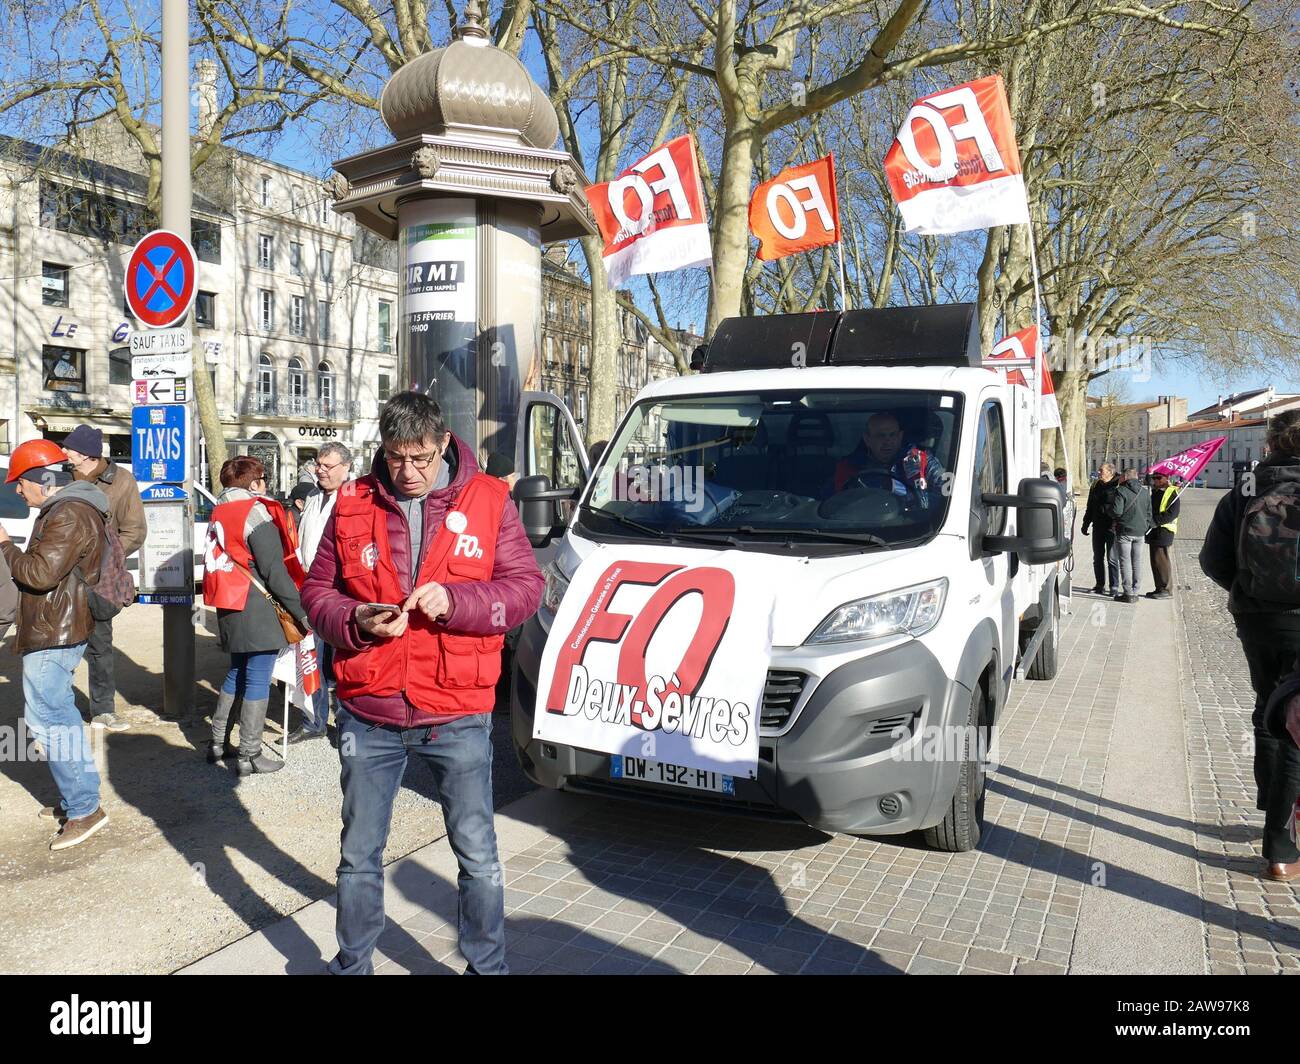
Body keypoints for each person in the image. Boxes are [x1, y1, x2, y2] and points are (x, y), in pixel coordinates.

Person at [302, 391, 543, 975]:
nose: (407, 473)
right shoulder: (354, 499)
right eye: (394, 458)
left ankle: (487, 968)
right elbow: (316, 593)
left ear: (442, 444)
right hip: (370, 709)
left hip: (457, 711)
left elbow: (525, 588)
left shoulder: (488, 500)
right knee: (359, 856)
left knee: (478, 855)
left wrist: (458, 600)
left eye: (420, 459)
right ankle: (352, 965)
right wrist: (354, 620)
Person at [1201, 408, 1300, 881]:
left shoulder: (1245, 489)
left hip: (1259, 619)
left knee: (1269, 707)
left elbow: (1211, 559)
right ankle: (1281, 844)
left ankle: (1272, 808)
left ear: (1271, 444)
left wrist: (1248, 591)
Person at [0, 439, 110, 850]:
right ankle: (79, 798)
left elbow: (40, 574)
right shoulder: (69, 509)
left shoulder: (69, 512)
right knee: (57, 714)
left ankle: (84, 808)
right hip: (57, 625)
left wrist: (6, 546)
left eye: (20, 482)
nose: (16, 490)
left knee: (49, 718)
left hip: (56, 628)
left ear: (42, 480)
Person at [202, 456, 311, 776]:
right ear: (253, 484)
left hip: (229, 604)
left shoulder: (219, 510)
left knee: (237, 672)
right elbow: (274, 571)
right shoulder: (254, 511)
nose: (266, 484)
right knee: (259, 677)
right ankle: (250, 753)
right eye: (263, 479)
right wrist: (301, 611)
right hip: (257, 607)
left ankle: (217, 743)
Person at [61, 425, 146, 731]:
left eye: (69, 448)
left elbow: (135, 529)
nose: (64, 452)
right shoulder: (62, 475)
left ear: (85, 454)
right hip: (60, 575)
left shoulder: (121, 481)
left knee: (100, 646)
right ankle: (59, 712)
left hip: (97, 578)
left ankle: (102, 711)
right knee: (59, 644)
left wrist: (104, 558)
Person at [287, 441, 353, 744]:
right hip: (310, 589)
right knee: (310, 656)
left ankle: (346, 724)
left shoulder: (356, 498)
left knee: (341, 662)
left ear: (346, 467)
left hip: (341, 592)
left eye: (327, 466)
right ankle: (313, 721)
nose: (320, 470)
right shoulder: (312, 496)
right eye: (318, 464)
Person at [833, 411, 945, 505]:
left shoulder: (921, 460)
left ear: (900, 436)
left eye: (892, 435)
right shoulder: (848, 468)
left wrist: (904, 494)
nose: (887, 442)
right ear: (867, 439)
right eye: (880, 436)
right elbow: (833, 504)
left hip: (916, 525)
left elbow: (946, 495)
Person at [1109, 467, 1152, 603]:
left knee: (1125, 562)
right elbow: (1149, 513)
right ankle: (1136, 590)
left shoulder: (1121, 491)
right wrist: (1145, 526)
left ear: (1126, 477)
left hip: (1125, 532)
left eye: (1121, 476)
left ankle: (1127, 593)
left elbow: (1117, 512)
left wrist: (1109, 512)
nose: (1119, 478)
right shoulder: (1145, 492)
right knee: (1137, 562)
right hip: (1140, 532)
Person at [1080, 462, 1119, 594]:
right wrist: (1085, 523)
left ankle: (1114, 586)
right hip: (1098, 526)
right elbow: (1090, 505)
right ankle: (1099, 585)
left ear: (1110, 472)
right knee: (1097, 557)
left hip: (1112, 527)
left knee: (1112, 558)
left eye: (1101, 470)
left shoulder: (1118, 485)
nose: (1099, 472)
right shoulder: (1095, 485)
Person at [1144, 471, 1181, 599]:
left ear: (1166, 478)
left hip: (1164, 530)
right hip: (1154, 530)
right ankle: (1159, 587)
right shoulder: (1155, 492)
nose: (1156, 480)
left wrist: (1156, 521)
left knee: (1162, 560)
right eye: (1154, 478)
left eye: (1159, 478)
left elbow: (1172, 513)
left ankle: (1166, 589)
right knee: (1155, 561)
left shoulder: (1172, 492)